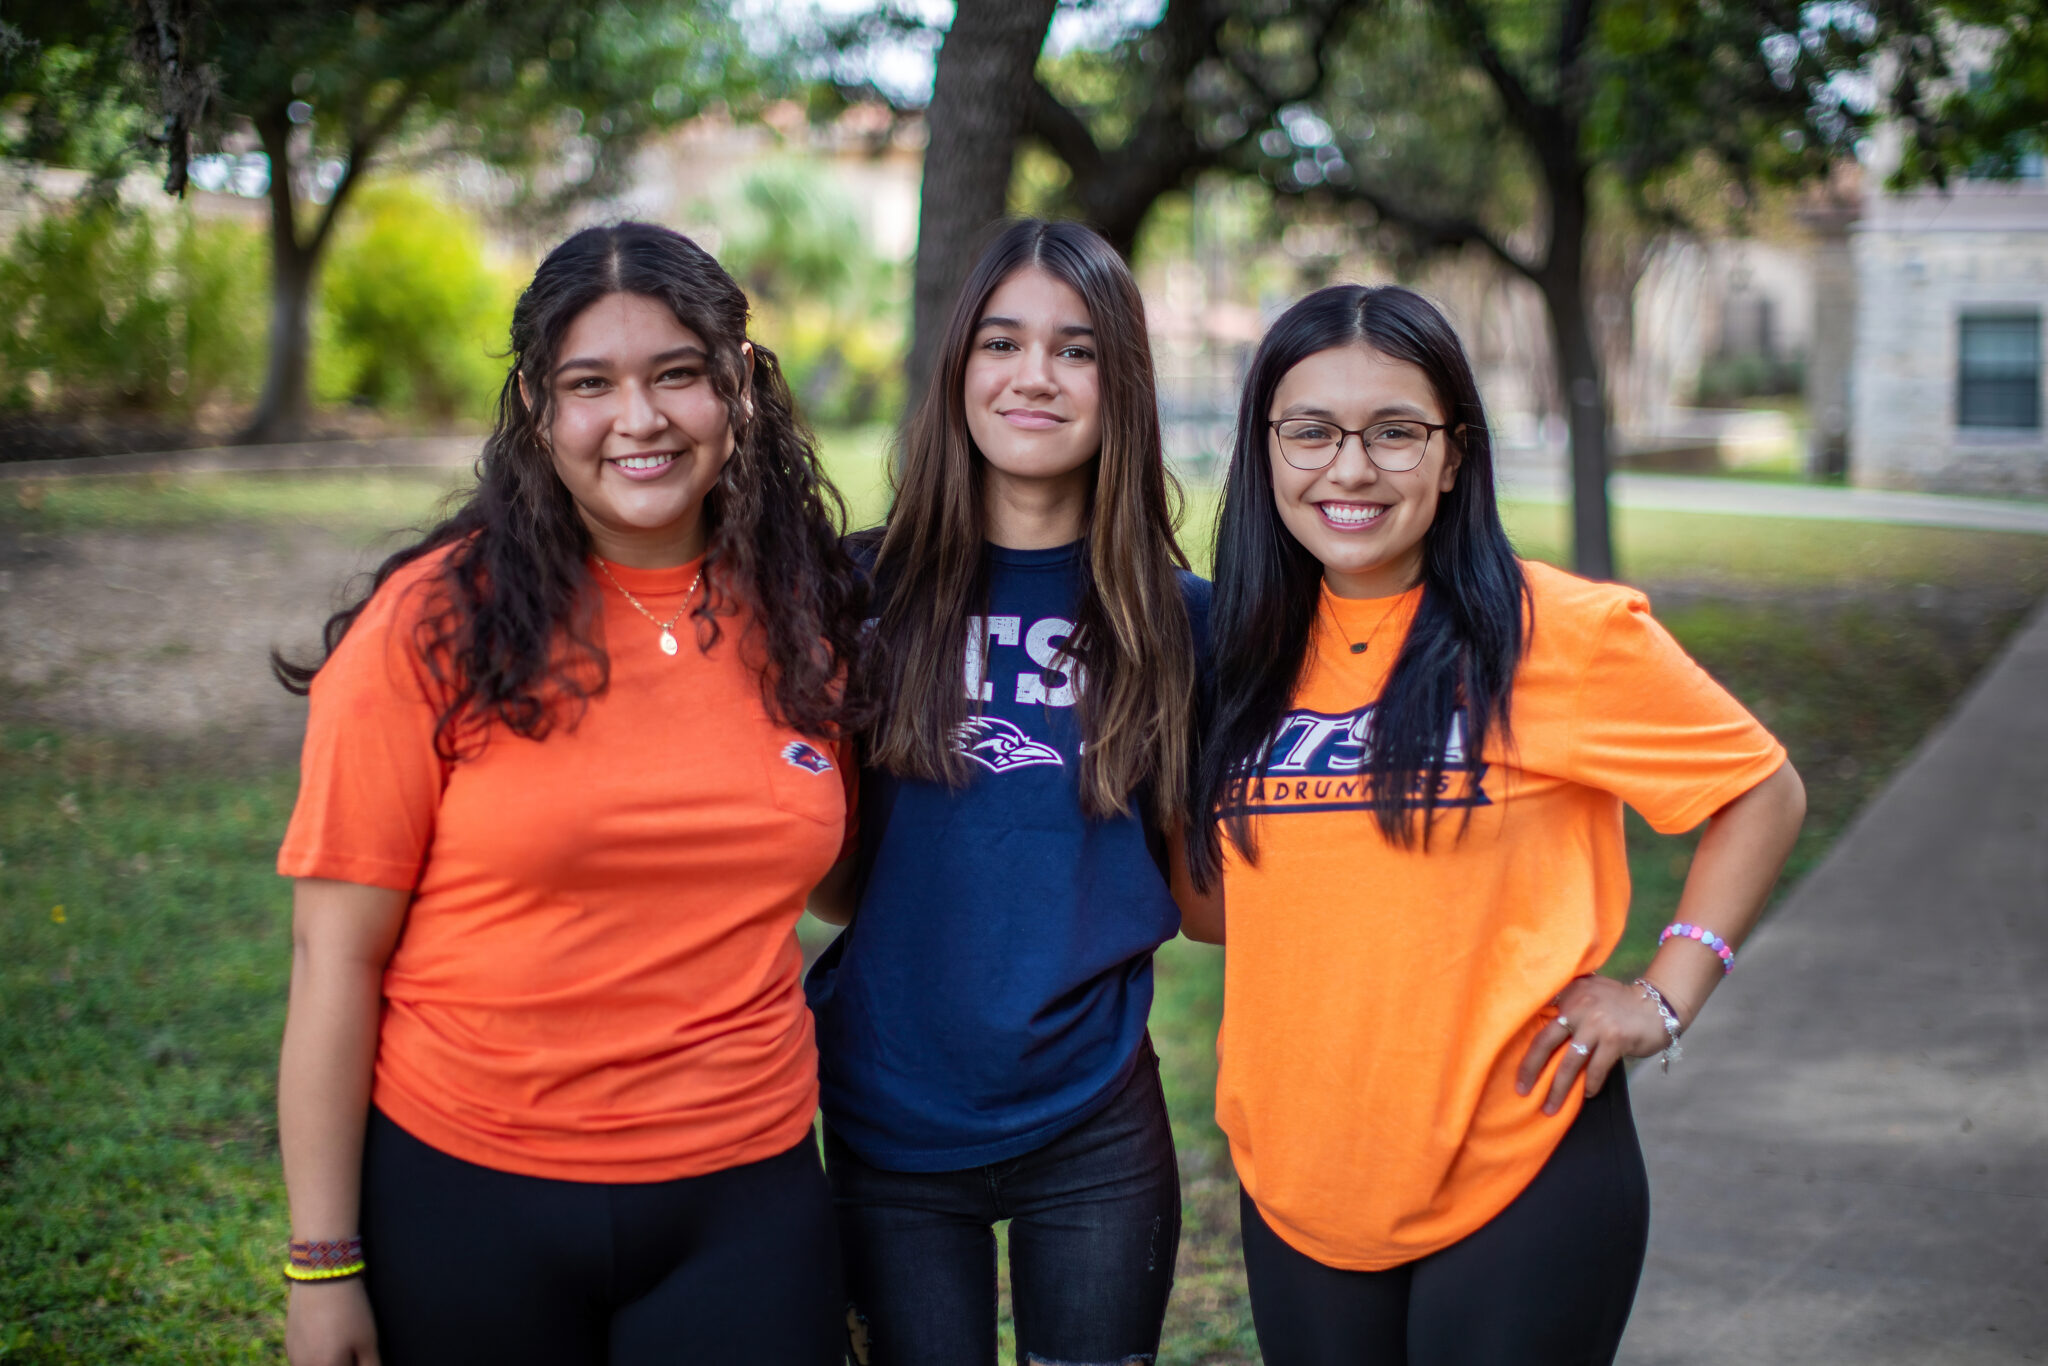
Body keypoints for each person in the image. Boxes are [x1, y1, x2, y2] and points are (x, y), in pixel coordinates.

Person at [272, 222, 866, 1366]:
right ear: (539, 410)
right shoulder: (434, 623)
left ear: (737, 385)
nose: (636, 421)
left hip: (743, 1190)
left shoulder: (803, 611)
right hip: (468, 1189)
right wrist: (322, 1261)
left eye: (676, 375)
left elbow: (833, 880)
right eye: (590, 384)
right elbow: (331, 958)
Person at [1182, 284, 1807, 1365]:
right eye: (1310, 430)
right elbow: (1220, 910)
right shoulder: (1235, 652)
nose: (1349, 468)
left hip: (1523, 1159)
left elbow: (1760, 786)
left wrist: (1665, 992)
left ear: (1454, 454)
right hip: (1298, 1173)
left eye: (1394, 432)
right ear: (1264, 448)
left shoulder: (1556, 632)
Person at [804, 219, 1205, 1365]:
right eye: (1001, 343)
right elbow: (835, 885)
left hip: (1094, 1123)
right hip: (887, 1111)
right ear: (957, 371)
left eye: (1076, 350)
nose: (1034, 375)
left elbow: (1199, 883)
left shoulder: (1180, 620)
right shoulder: (854, 591)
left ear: (1119, 384)